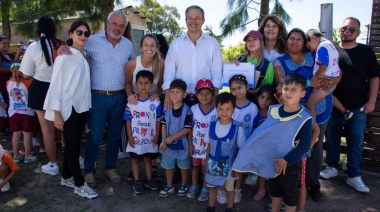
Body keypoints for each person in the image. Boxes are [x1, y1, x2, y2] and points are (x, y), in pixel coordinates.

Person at [63, 11, 135, 187]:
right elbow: (74, 48)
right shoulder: (92, 41)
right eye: (114, 24)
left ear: (125, 28)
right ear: (107, 22)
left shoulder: (128, 45)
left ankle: (110, 168)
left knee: (114, 136)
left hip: (119, 97)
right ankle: (89, 171)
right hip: (97, 97)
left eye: (121, 25)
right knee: (94, 136)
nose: (117, 28)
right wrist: (63, 47)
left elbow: (132, 68)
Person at [274, 28, 340, 202]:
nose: (294, 42)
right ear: (286, 40)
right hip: (294, 111)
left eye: (298, 39)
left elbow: (336, 74)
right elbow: (282, 84)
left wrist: (333, 80)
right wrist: (311, 82)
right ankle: (293, 183)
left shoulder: (314, 54)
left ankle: (313, 182)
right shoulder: (279, 62)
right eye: (291, 38)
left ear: (305, 41)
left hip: (320, 107)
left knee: (316, 145)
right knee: (294, 145)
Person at [232, 73, 312, 212]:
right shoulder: (273, 110)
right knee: (275, 193)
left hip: (290, 165)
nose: (289, 93)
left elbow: (304, 145)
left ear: (302, 93)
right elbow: (263, 135)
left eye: (294, 90)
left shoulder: (304, 117)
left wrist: (286, 160)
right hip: (272, 161)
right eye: (286, 89)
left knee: (290, 198)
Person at [321, 17, 380, 193]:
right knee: (332, 139)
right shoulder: (332, 51)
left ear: (358, 33)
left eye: (351, 29)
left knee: (356, 143)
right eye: (343, 28)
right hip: (333, 106)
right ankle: (332, 167)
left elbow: (375, 77)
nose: (346, 31)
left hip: (359, 107)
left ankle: (354, 175)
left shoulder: (365, 51)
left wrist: (372, 101)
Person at [43, 20, 97, 199]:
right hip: (69, 109)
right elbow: (56, 86)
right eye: (79, 32)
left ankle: (66, 176)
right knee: (72, 147)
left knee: (74, 145)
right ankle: (79, 184)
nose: (83, 36)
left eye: (86, 34)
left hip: (81, 108)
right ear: (71, 34)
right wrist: (56, 113)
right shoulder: (64, 57)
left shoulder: (82, 56)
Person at [20, 16, 63, 176]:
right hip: (60, 89)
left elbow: (26, 73)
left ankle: (53, 164)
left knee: (47, 129)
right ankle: (75, 157)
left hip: (40, 89)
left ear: (39, 30)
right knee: (64, 126)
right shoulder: (62, 45)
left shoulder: (33, 47)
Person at [163, 5, 222, 108]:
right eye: (190, 18)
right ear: (185, 20)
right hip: (180, 100)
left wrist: (215, 94)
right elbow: (169, 70)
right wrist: (168, 94)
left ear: (203, 20)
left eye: (197, 18)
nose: (193, 21)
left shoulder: (212, 43)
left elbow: (216, 71)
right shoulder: (176, 44)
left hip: (205, 100)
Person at [206, 92, 246, 212]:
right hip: (213, 162)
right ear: (216, 109)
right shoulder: (211, 125)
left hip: (229, 165)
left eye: (228, 109)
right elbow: (208, 144)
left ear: (233, 110)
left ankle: (229, 208)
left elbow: (241, 149)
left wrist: (237, 168)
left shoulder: (238, 128)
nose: (224, 112)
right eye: (221, 109)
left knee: (230, 187)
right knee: (212, 186)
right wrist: (205, 159)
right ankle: (211, 207)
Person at [124, 70, 162, 194]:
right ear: (135, 84)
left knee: (148, 159)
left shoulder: (156, 102)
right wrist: (129, 136)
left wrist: (157, 134)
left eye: (146, 83)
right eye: (140, 83)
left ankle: (149, 179)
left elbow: (158, 120)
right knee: (135, 159)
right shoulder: (131, 102)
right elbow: (127, 120)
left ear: (152, 85)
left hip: (149, 138)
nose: (143, 86)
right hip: (135, 138)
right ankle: (137, 180)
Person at [225, 74, 258, 204]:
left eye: (239, 88)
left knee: (238, 168)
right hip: (228, 144)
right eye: (233, 89)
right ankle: (223, 189)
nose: (237, 92)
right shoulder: (228, 106)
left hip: (244, 145)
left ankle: (237, 189)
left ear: (247, 88)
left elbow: (254, 128)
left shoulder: (253, 107)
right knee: (227, 167)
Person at [158, 79, 192, 197]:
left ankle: (183, 184)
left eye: (178, 92)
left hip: (182, 143)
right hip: (167, 143)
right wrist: (163, 140)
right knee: (168, 166)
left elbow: (188, 129)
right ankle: (169, 185)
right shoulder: (167, 109)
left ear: (184, 94)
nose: (174, 95)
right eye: (172, 92)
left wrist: (172, 137)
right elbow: (163, 125)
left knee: (183, 166)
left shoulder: (187, 111)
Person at [186, 79, 217, 201]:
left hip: (209, 146)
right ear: (196, 95)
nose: (204, 96)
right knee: (195, 166)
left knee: (206, 167)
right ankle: (194, 186)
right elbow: (189, 129)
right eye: (201, 93)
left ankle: (205, 187)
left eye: (207, 93)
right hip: (195, 145)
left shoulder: (216, 110)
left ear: (213, 94)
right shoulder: (193, 109)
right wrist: (190, 145)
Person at [248, 84, 276, 201]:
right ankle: (261, 188)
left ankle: (274, 192)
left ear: (273, 100)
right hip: (257, 146)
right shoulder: (254, 112)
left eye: (268, 98)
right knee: (260, 168)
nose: (264, 101)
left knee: (272, 168)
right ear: (257, 97)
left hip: (271, 147)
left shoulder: (274, 113)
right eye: (262, 97)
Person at [305, 29, 340, 120]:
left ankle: (313, 129)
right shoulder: (331, 45)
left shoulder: (322, 46)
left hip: (324, 82)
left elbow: (324, 65)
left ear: (312, 37)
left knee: (310, 105)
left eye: (309, 46)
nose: (312, 50)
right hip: (331, 79)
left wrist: (316, 78)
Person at [7, 60, 36, 163]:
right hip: (26, 112)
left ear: (11, 70)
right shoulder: (28, 82)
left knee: (16, 134)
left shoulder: (8, 83)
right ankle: (27, 155)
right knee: (27, 134)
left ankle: (16, 155)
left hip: (13, 112)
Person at [233, 30, 275, 100]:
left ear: (261, 42)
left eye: (254, 39)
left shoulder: (268, 65)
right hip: (237, 102)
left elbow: (268, 89)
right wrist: (232, 65)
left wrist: (254, 91)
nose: (251, 42)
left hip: (257, 103)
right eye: (248, 40)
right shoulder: (239, 60)